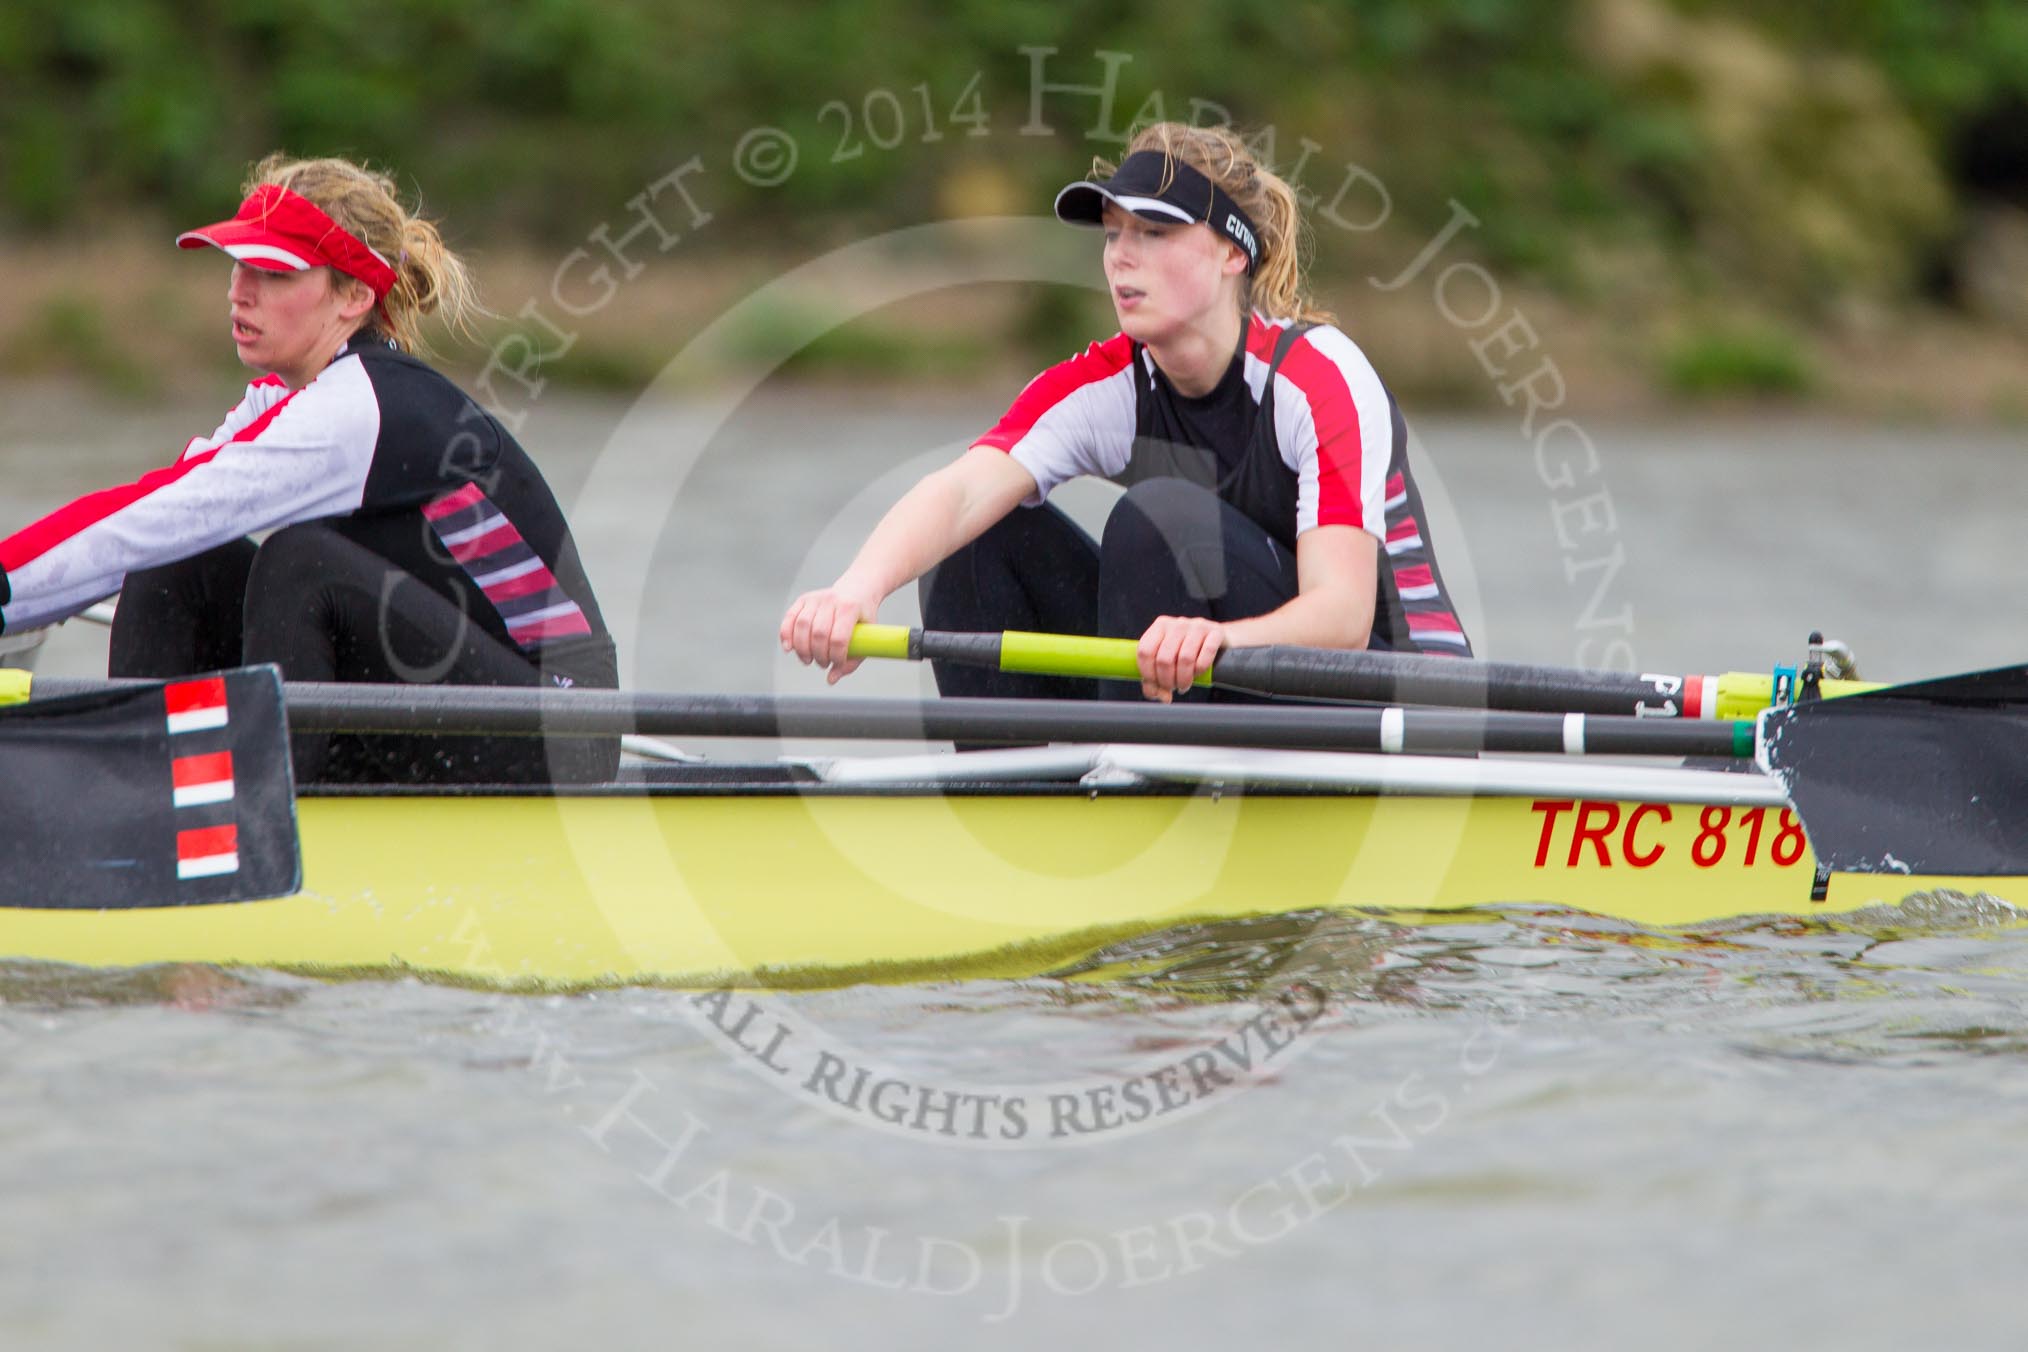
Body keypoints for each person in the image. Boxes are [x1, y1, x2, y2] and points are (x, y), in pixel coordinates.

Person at [781, 122, 1471, 704]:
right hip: (1218, 681)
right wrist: (855, 591)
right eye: (1114, 234)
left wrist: (1221, 640)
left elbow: (1343, 615)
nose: (1120, 258)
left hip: (1400, 701)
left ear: (1234, 252)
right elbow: (962, 492)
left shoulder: (1317, 376)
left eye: (1153, 232)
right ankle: (1018, 804)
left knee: (1158, 520)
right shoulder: (1108, 383)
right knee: (973, 542)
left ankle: (1136, 794)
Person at [0, 154, 618, 783]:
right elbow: (159, 514)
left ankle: (270, 813)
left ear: (354, 295)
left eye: (274, 272)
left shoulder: (363, 408)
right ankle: (143, 789)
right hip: (433, 693)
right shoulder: (283, 396)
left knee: (300, 561)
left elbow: (162, 516)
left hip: (562, 725)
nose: (240, 290)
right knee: (179, 558)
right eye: (240, 263)